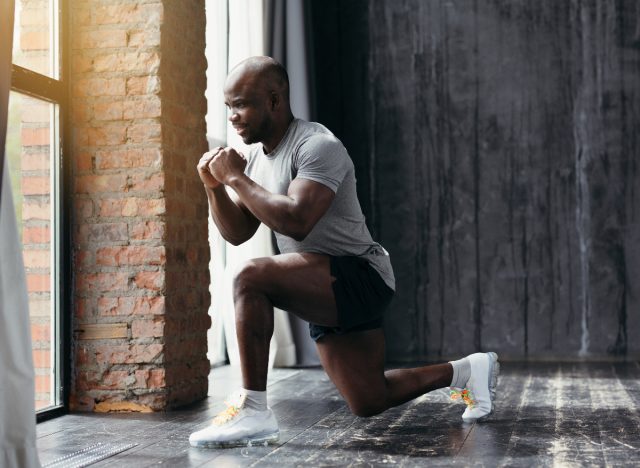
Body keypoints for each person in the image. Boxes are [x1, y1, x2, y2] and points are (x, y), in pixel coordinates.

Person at [189, 56, 499, 448]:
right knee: (369, 399)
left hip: (359, 276)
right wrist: (215, 188)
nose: (233, 116)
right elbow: (238, 233)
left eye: (242, 104)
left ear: (273, 100)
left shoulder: (318, 146)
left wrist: (234, 178)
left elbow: (298, 220)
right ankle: (467, 370)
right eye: (228, 106)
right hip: (322, 282)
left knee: (249, 277)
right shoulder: (253, 159)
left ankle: (253, 410)